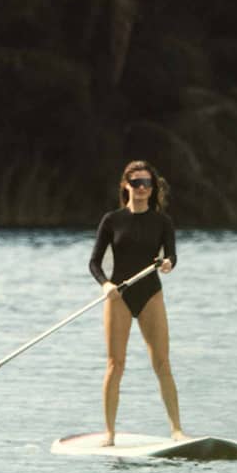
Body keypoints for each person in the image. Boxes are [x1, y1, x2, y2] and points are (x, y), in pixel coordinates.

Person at [89, 159, 188, 447]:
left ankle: (177, 430)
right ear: (126, 186)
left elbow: (171, 256)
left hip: (150, 294)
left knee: (162, 363)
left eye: (147, 183)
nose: (142, 188)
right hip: (119, 295)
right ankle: (109, 434)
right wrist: (106, 284)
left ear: (153, 188)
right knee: (114, 364)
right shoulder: (112, 220)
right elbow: (94, 262)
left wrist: (168, 263)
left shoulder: (162, 222)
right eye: (136, 183)